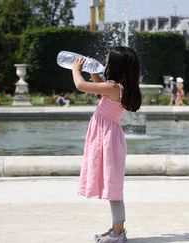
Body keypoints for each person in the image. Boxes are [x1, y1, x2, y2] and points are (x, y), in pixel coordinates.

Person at [71, 46, 142, 243]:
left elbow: (80, 85)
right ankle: (115, 229)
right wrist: (93, 71)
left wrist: (75, 69)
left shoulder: (113, 88)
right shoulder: (115, 87)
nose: (106, 62)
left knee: (113, 187)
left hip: (108, 139)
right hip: (108, 137)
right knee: (112, 185)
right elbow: (100, 91)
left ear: (116, 66)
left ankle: (119, 234)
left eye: (108, 60)